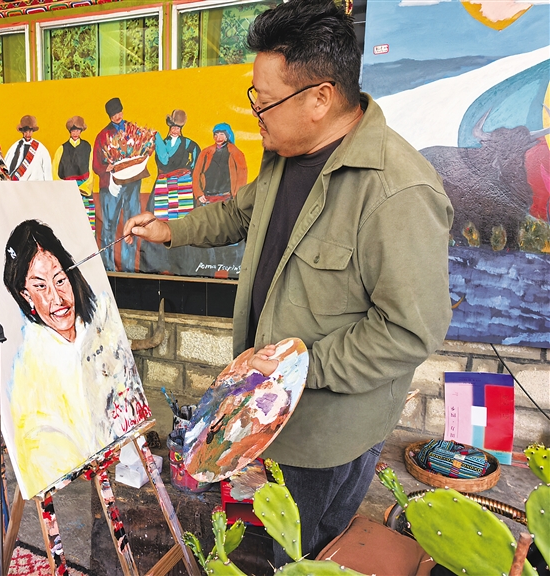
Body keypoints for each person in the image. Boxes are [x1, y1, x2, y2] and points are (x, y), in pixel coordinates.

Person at [124, 0, 453, 563]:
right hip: (267, 412)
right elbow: (238, 213)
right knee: (274, 538)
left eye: (264, 100)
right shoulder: (285, 154)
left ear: (319, 99)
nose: (255, 111)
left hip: (326, 434)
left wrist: (292, 370)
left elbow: (408, 331)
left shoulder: (397, 191)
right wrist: (170, 230)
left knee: (301, 556)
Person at [3, 220, 149, 497]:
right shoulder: (28, 371)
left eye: (60, 280)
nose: (57, 299)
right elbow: (40, 452)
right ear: (25, 295)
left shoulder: (103, 321)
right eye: (40, 286)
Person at [92, 97, 149, 272]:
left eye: (119, 113)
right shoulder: (102, 135)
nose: (117, 117)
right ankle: (107, 268)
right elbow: (96, 165)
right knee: (108, 226)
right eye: (113, 115)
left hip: (132, 183)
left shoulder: (134, 131)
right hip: (110, 186)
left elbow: (144, 150)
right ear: (109, 116)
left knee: (132, 224)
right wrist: (106, 168)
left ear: (122, 111)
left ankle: (129, 268)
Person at [150, 109, 201, 221]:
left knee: (184, 208)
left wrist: (191, 168)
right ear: (169, 128)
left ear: (181, 129)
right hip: (165, 179)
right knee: (159, 208)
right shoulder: (164, 142)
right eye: (173, 128)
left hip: (182, 179)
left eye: (177, 128)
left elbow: (196, 151)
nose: (175, 131)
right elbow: (162, 161)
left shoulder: (186, 142)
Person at [52, 116, 94, 232]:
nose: (75, 133)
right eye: (73, 130)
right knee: (67, 222)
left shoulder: (88, 147)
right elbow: (55, 172)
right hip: (67, 189)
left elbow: (91, 169)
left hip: (84, 189)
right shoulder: (62, 149)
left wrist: (84, 187)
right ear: (70, 132)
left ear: (81, 131)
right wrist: (66, 187)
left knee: (86, 224)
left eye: (78, 130)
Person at [192, 123, 248, 206]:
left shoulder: (236, 153)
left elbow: (242, 176)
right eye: (216, 134)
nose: (218, 138)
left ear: (227, 136)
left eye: (221, 134)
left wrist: (236, 196)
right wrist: (199, 194)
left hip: (227, 197)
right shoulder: (206, 152)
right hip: (207, 197)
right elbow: (196, 173)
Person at [4, 115, 53, 182]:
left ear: (33, 131)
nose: (28, 134)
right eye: (25, 131)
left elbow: (47, 173)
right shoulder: (15, 147)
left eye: (30, 131)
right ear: (22, 131)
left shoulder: (41, 149)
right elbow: (7, 166)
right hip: (17, 185)